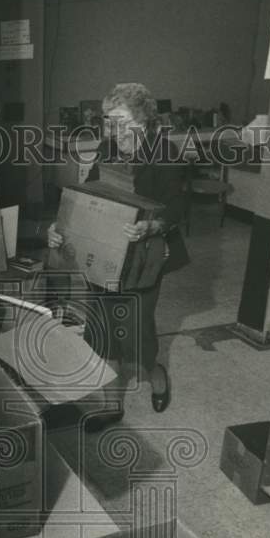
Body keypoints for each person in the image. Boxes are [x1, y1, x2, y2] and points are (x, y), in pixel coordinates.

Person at [48, 82, 189, 426]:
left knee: (137, 332)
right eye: (110, 119)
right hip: (106, 252)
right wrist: (60, 225)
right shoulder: (108, 147)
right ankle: (111, 406)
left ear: (142, 118)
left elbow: (179, 206)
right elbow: (87, 196)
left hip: (145, 255)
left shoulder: (164, 152)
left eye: (122, 119)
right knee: (102, 330)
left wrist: (152, 227)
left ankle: (156, 375)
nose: (115, 128)